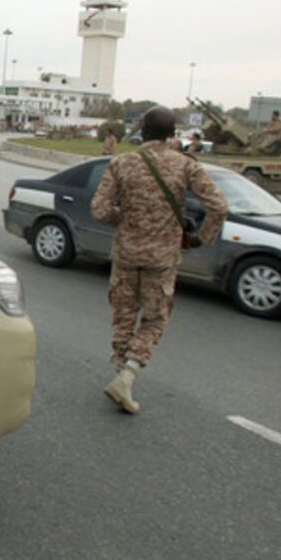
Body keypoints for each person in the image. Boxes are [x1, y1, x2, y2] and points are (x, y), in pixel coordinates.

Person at [90, 105, 228, 413]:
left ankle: (122, 377)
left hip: (126, 253)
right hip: (162, 258)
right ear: (172, 133)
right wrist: (200, 238)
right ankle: (128, 375)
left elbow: (98, 210)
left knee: (124, 317)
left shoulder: (121, 162)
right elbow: (219, 206)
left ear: (142, 131)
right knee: (154, 319)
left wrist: (125, 219)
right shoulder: (186, 165)